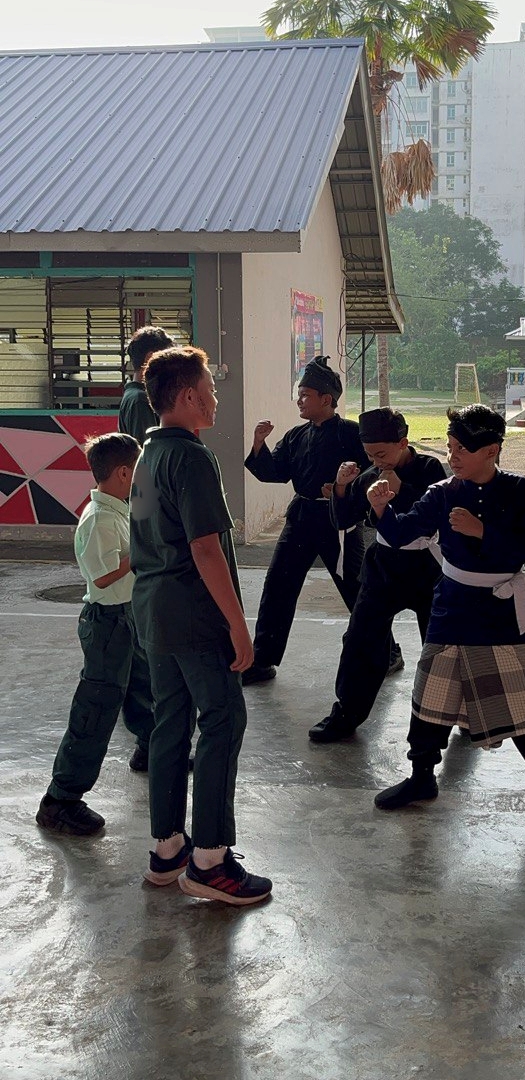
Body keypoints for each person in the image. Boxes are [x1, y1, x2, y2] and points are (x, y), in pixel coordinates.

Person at [366, 403, 525, 826]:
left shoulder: (520, 491)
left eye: (462, 450)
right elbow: (401, 533)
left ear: (491, 450)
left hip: (503, 612)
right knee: (430, 698)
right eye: (450, 447)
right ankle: (421, 777)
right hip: (452, 607)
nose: (452, 457)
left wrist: (483, 531)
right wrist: (381, 508)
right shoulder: (442, 493)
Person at [130, 346, 271, 905]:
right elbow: (206, 548)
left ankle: (167, 848)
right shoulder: (191, 457)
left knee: (170, 722)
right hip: (193, 611)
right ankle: (210, 860)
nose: (215, 399)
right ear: (188, 396)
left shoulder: (147, 454)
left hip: (154, 610)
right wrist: (238, 625)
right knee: (222, 719)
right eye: (210, 390)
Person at [244, 356, 400, 685]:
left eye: (305, 395)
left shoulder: (353, 434)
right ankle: (262, 659)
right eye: (299, 395)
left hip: (339, 520)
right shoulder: (296, 436)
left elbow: (376, 469)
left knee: (356, 587)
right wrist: (259, 443)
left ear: (326, 399)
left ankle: (388, 652)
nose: (299, 401)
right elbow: (274, 472)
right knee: (278, 585)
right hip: (301, 517)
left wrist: (346, 489)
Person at [36, 432, 153, 835]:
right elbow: (102, 577)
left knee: (142, 685)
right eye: (139, 469)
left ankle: (149, 748)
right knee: (96, 708)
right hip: (107, 623)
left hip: (127, 615)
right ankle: (61, 799)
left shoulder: (119, 508)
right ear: (122, 473)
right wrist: (140, 553)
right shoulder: (99, 519)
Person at [309, 407, 445, 743]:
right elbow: (344, 520)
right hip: (384, 567)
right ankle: (347, 712)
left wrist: (405, 491)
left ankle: (453, 712)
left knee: (441, 646)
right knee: (360, 638)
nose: (375, 460)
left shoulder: (430, 468)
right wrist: (341, 488)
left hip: (428, 567)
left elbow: (437, 517)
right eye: (369, 454)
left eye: (381, 454)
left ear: (403, 443)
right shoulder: (371, 474)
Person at [116, 324, 175, 771]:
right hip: (146, 521)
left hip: (143, 517)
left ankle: (150, 735)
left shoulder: (136, 397)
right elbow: (146, 467)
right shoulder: (140, 402)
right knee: (141, 646)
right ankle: (148, 741)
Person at [119, 325, 174, 443]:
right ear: (150, 358)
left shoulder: (134, 395)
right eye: (168, 358)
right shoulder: (140, 399)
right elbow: (148, 450)